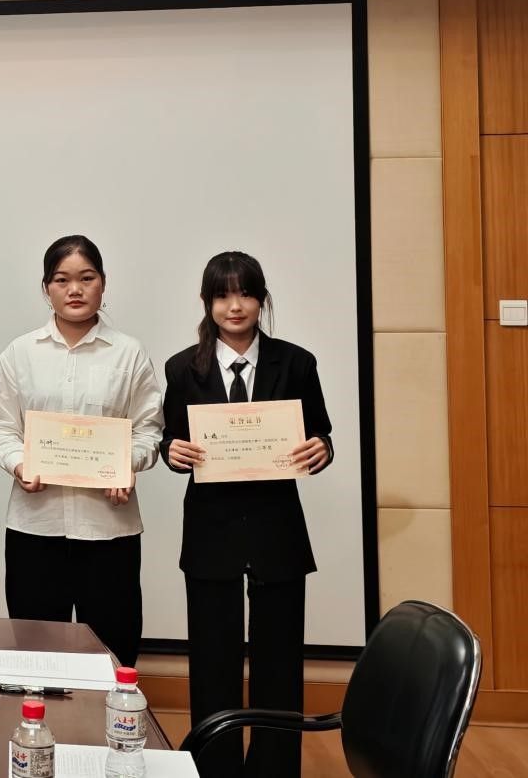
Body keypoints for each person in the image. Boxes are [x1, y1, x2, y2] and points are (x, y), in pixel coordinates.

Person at [160, 250, 333, 778]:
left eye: (245, 294)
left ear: (261, 300)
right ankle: (213, 770)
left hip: (276, 531)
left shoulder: (296, 363)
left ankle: (275, 770)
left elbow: (321, 434)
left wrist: (321, 449)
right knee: (212, 660)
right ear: (207, 302)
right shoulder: (182, 368)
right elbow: (171, 440)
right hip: (211, 532)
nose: (234, 306)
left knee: (279, 662)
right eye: (222, 295)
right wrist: (172, 451)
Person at [0, 235, 162, 667]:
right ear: (46, 288)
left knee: (114, 652)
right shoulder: (20, 353)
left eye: (86, 278)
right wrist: (19, 464)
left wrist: (127, 465)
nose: (75, 290)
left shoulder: (129, 353)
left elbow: (149, 429)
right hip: (35, 529)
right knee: (36, 655)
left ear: (103, 283)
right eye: (62, 280)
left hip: (109, 530)